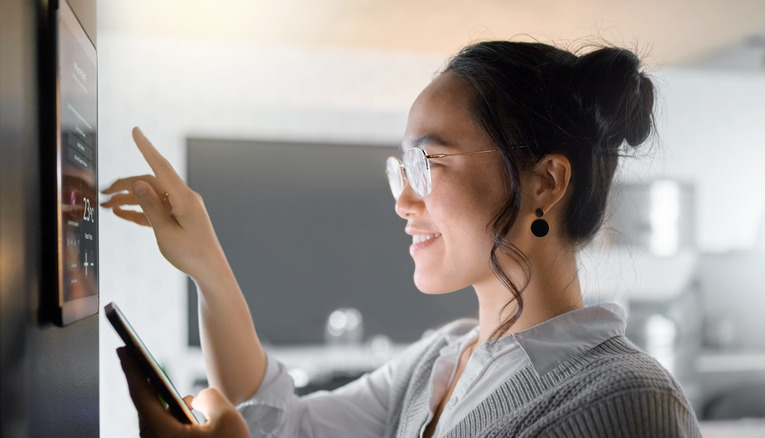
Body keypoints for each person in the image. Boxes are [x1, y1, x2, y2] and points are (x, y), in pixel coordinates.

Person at [102, 40, 702, 437]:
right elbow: (280, 423)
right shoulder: (441, 362)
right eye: (400, 170)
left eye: (428, 164)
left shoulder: (630, 406)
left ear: (545, 182)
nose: (402, 201)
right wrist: (207, 264)